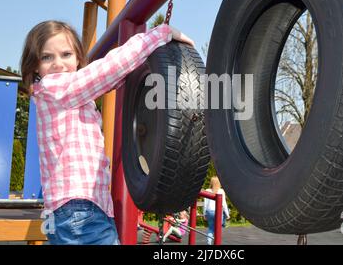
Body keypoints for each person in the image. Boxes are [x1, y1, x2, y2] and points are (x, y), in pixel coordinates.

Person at [20, 20, 194, 245]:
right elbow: (106, 70)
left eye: (66, 54)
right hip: (79, 209)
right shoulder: (57, 87)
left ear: (77, 58)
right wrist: (159, 35)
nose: (58, 64)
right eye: (47, 57)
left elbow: (108, 80)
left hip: (70, 210)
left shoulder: (55, 95)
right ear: (34, 65)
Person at [203, 176, 230, 245]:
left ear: (211, 183)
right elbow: (223, 204)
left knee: (211, 228)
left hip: (209, 211)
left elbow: (205, 204)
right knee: (218, 227)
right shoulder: (221, 191)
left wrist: (204, 214)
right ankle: (223, 224)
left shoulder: (207, 190)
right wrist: (227, 214)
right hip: (218, 212)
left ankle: (209, 241)